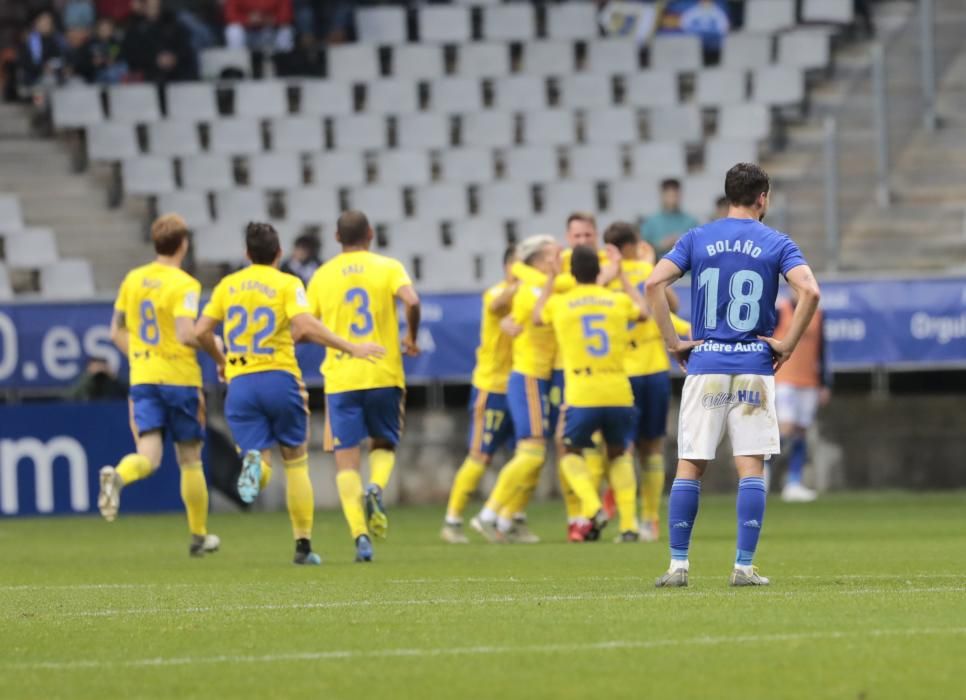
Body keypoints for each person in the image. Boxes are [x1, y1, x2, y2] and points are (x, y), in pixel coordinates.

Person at [646, 162, 821, 587]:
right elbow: (810, 291)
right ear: (763, 197)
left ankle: (677, 566)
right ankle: (743, 567)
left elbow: (652, 284)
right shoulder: (777, 242)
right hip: (752, 366)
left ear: (728, 196)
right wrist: (787, 344)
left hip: (705, 363)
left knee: (690, 466)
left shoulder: (697, 237)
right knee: (750, 468)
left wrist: (674, 343)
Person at [195, 222, 384, 566]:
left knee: (260, 459)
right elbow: (306, 325)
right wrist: (351, 347)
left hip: (240, 384)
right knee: (296, 462)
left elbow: (200, 331)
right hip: (280, 380)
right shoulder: (287, 283)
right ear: (279, 254)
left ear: (246, 254)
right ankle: (303, 547)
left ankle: (255, 468)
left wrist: (221, 360)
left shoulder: (227, 286)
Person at [98, 214, 224, 557]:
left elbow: (116, 331)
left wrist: (139, 357)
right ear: (183, 244)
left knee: (148, 456)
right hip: (180, 380)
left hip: (144, 378)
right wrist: (216, 349)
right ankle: (199, 536)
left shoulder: (133, 279)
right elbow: (186, 332)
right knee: (190, 459)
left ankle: (119, 477)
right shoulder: (184, 284)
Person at [307, 210, 420, 563]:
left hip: (342, 379)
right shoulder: (388, 267)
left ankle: (360, 537)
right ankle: (377, 488)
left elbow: (305, 326)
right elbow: (412, 301)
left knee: (346, 464)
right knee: (383, 444)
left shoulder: (322, 276)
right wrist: (411, 336)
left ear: (336, 237)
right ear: (371, 233)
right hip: (383, 372)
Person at [533, 244, 648, 541]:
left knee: (567, 447)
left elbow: (535, 317)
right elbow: (645, 313)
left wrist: (550, 277)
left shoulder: (561, 303)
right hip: (618, 390)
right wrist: (621, 276)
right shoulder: (617, 300)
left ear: (571, 274)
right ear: (600, 272)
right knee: (618, 452)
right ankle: (629, 526)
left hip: (582, 392)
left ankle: (593, 506)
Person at [602, 221, 692, 542]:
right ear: (634, 243)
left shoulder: (605, 276)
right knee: (652, 447)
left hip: (620, 373)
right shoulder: (645, 271)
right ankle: (651, 521)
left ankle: (627, 522)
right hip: (653, 370)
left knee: (620, 448)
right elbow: (674, 307)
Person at [470, 235, 560, 543]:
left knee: (535, 454)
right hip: (529, 377)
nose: (558, 259)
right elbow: (537, 311)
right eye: (552, 255)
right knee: (532, 453)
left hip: (537, 377)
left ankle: (506, 518)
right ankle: (489, 514)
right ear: (538, 262)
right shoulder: (531, 288)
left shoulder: (537, 285)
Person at [441, 245, 519, 544]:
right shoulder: (496, 293)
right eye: (518, 265)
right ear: (507, 266)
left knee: (525, 456)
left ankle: (507, 521)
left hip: (521, 388)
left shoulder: (532, 296)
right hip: (493, 388)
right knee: (480, 456)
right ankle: (452, 520)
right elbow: (498, 310)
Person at [767, 292, 830, 502]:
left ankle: (793, 482)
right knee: (785, 429)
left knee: (801, 433)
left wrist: (824, 383)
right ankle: (762, 471)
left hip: (809, 381)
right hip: (785, 379)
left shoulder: (819, 314)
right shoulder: (780, 310)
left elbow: (822, 350)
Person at [121, 0, 198, 83]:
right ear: (143, 6)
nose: (153, 9)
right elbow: (131, 55)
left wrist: (174, 58)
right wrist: (155, 59)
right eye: (150, 6)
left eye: (156, 6)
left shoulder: (172, 24)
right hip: (148, 75)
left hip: (176, 73)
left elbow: (185, 48)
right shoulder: (135, 29)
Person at [641, 179, 700, 257]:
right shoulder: (650, 222)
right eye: (668, 195)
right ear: (662, 195)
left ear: (680, 195)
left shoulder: (691, 221)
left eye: (675, 195)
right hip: (657, 266)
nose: (672, 199)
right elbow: (642, 250)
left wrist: (682, 243)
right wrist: (660, 245)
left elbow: (698, 247)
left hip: (685, 268)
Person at [17, 10, 65, 93]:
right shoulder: (30, 40)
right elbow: (23, 61)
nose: (46, 25)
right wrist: (41, 68)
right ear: (37, 23)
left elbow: (59, 59)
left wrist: (52, 67)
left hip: (51, 75)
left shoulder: (55, 41)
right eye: (44, 22)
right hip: (33, 76)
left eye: (48, 22)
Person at [224, 0, 294, 55]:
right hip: (248, 33)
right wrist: (247, 19)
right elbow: (229, 15)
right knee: (233, 29)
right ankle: (237, 63)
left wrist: (272, 19)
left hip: (269, 32)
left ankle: (284, 62)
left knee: (286, 29)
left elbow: (287, 15)